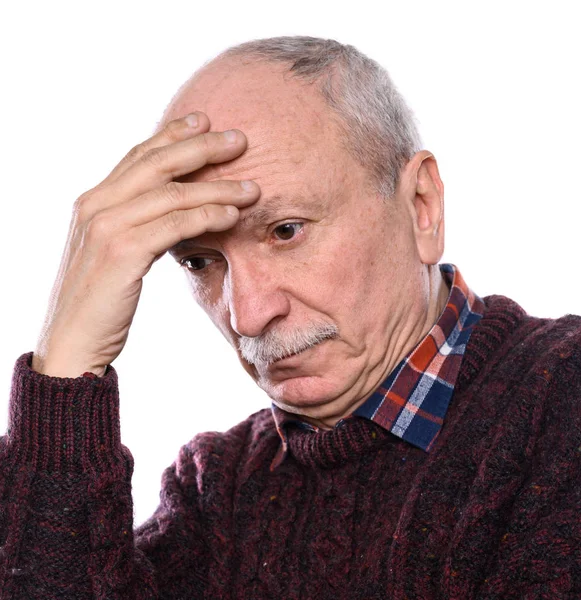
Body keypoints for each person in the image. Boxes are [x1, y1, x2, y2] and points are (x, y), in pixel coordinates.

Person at [1, 35, 580, 599]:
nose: (248, 315)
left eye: (285, 231)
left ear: (421, 208)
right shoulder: (214, 491)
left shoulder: (563, 401)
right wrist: (65, 372)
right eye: (200, 261)